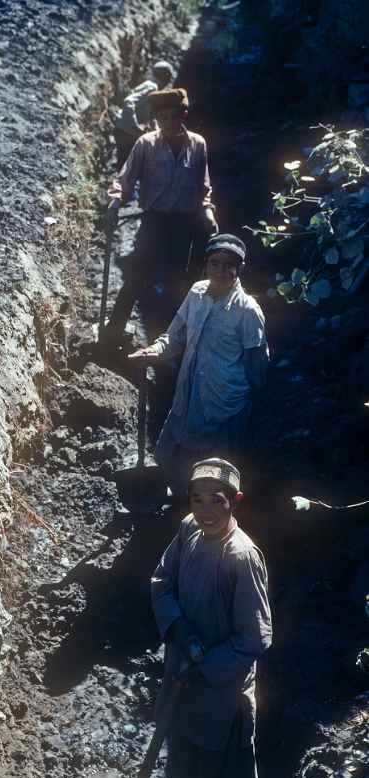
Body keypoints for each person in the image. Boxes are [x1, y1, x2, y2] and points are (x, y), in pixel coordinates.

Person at [151, 457, 272, 778]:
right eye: (197, 499)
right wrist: (180, 629)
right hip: (181, 673)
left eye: (217, 500)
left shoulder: (241, 557)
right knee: (182, 768)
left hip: (222, 694)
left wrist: (203, 663)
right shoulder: (189, 528)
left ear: (235, 501)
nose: (206, 510)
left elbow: (255, 637)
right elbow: (162, 580)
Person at [129, 234, 268, 502]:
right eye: (214, 263)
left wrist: (253, 402)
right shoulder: (196, 293)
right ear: (206, 265)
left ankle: (209, 517)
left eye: (229, 265)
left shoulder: (248, 311)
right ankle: (178, 498)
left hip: (225, 401)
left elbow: (257, 363)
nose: (220, 271)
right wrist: (154, 350)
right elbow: (176, 335)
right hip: (191, 391)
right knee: (175, 452)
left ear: (240, 269)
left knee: (215, 470)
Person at [104, 87, 218, 345]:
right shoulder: (146, 143)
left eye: (172, 116)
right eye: (161, 117)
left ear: (183, 114)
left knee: (177, 282)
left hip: (184, 224)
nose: (167, 122)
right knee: (136, 277)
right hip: (154, 221)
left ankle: (171, 339)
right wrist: (114, 204)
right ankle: (111, 335)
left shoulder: (198, 144)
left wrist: (208, 212)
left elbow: (204, 187)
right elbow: (126, 178)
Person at [113, 60, 174, 170]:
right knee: (127, 168)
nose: (168, 81)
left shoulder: (150, 86)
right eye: (168, 78)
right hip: (126, 131)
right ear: (165, 76)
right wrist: (134, 125)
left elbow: (150, 116)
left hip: (124, 131)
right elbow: (129, 101)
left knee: (125, 167)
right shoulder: (152, 87)